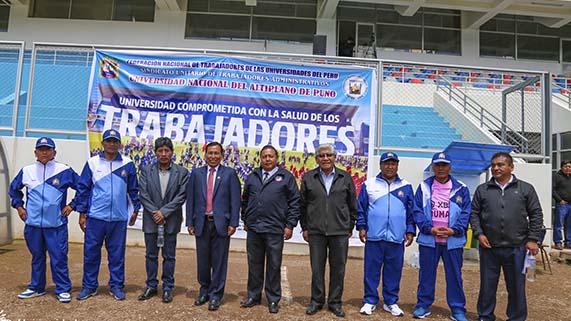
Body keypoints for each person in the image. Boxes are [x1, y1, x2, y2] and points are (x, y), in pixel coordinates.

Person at [470, 152, 543, 321]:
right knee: (487, 286)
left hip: (517, 247)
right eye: (493, 165)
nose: (496, 168)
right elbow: (474, 214)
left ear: (511, 167)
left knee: (517, 287)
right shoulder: (483, 190)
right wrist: (479, 234)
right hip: (489, 248)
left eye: (501, 165)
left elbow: (536, 214)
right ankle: (485, 316)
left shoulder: (525, 188)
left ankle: (517, 317)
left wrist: (532, 239)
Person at [9, 137, 79, 303]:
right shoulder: (27, 171)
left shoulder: (64, 170)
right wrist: (19, 207)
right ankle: (36, 287)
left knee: (59, 257)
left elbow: (83, 187)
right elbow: (14, 190)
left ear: (54, 152)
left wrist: (72, 205)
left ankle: (62, 289)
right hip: (33, 225)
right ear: (35, 153)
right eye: (41, 149)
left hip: (56, 225)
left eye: (48, 149)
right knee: (37, 257)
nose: (44, 152)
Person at [75, 129, 140, 301]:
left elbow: (133, 189)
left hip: (118, 218)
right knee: (91, 254)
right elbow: (83, 189)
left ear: (119, 144)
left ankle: (116, 286)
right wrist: (82, 214)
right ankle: (89, 287)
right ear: (102, 143)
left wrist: (136, 209)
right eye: (108, 141)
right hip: (95, 217)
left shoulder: (128, 163)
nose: (111, 144)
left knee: (117, 255)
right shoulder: (92, 163)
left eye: (115, 141)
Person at [240, 145, 300, 314]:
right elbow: (245, 200)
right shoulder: (253, 176)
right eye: (264, 156)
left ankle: (273, 299)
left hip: (275, 229)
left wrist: (289, 225)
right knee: (254, 264)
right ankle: (253, 295)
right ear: (260, 158)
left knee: (274, 265)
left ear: (276, 158)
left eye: (271, 156)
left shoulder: (286, 177)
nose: (267, 159)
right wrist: (246, 218)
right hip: (254, 228)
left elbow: (295, 203)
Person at [300, 144, 357, 318]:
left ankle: (335, 302)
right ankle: (316, 301)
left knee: (338, 269)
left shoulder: (345, 177)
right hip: (316, 232)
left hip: (339, 232)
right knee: (317, 269)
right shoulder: (309, 178)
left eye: (329, 155)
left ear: (335, 157)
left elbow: (352, 204)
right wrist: (305, 227)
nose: (325, 158)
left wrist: (350, 226)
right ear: (317, 158)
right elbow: (302, 205)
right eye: (322, 155)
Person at [412, 152, 471, 321]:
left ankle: (458, 309)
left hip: (453, 240)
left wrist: (455, 230)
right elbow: (416, 211)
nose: (440, 168)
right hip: (429, 240)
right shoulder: (424, 187)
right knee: (426, 275)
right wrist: (429, 229)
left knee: (455, 276)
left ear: (450, 167)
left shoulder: (461, 188)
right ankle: (423, 305)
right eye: (437, 165)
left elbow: (466, 212)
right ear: (432, 167)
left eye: (444, 165)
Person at [357, 152, 415, 317]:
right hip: (374, 237)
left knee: (394, 271)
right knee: (371, 270)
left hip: (397, 238)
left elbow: (411, 211)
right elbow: (361, 208)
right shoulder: (369, 184)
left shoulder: (406, 186)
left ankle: (391, 302)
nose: (390, 167)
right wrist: (361, 227)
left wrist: (410, 230)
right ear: (381, 165)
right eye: (386, 163)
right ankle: (370, 300)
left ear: (397, 165)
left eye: (393, 163)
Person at [186, 142, 241, 311]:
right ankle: (204, 291)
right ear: (205, 155)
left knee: (219, 262)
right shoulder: (196, 174)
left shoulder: (230, 174)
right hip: (201, 223)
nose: (213, 156)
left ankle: (216, 294)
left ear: (222, 155)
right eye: (210, 153)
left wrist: (233, 223)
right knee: (203, 261)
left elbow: (235, 200)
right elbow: (191, 199)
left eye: (216, 153)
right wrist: (190, 222)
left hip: (221, 225)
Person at [137, 137, 189, 303]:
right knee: (150, 255)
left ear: (172, 152)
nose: (164, 154)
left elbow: (181, 196)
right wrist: (155, 212)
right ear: (155, 153)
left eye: (167, 150)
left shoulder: (182, 172)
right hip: (151, 220)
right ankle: (151, 285)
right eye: (160, 151)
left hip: (170, 221)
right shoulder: (146, 170)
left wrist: (164, 212)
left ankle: (167, 287)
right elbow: (143, 194)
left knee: (169, 256)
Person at [553, 159, 571, 250]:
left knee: (569, 224)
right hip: (562, 204)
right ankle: (558, 242)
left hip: (570, 204)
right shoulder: (557, 176)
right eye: (566, 166)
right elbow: (553, 189)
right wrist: (559, 200)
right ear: (561, 167)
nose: (568, 168)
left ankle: (568, 242)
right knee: (559, 224)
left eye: (569, 166)